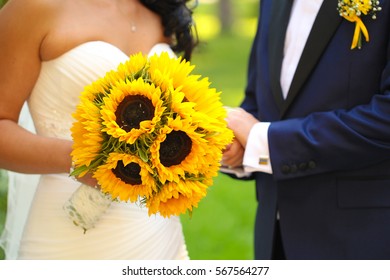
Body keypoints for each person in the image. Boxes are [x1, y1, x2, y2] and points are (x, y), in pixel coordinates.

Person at [0, 0, 197, 259]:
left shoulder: (160, 9)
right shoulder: (34, 7)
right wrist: (82, 159)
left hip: (158, 234)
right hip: (68, 237)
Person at [222, 0, 390, 259]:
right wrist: (238, 146)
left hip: (359, 239)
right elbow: (261, 100)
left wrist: (265, 141)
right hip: (274, 236)